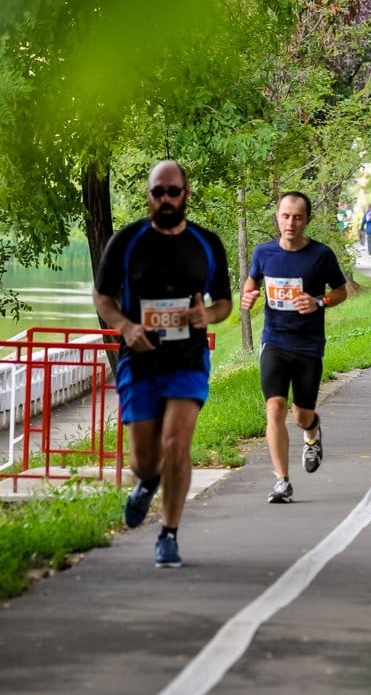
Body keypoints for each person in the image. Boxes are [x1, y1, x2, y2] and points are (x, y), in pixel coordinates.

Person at [93, 160, 232, 568]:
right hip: (140, 360)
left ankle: (168, 534)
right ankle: (148, 481)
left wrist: (206, 315)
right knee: (144, 461)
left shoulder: (206, 243)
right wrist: (124, 326)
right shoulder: (127, 240)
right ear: (149, 196)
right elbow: (102, 297)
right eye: (159, 192)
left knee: (177, 444)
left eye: (173, 191)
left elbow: (222, 302)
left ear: (186, 193)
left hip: (187, 360)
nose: (166, 199)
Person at [240, 191, 347, 503]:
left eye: (297, 217)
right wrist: (249, 296)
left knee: (301, 416)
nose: (291, 222)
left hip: (308, 346)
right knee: (275, 407)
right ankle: (282, 481)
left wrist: (318, 301)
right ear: (277, 218)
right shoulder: (263, 253)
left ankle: (312, 433)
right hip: (274, 341)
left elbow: (340, 292)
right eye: (285, 216)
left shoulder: (321, 255)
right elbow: (251, 282)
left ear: (307, 220)